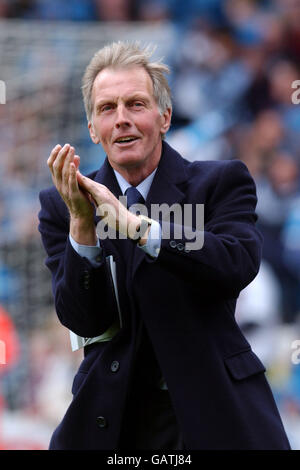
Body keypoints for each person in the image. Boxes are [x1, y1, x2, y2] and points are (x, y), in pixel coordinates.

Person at [38, 41, 291, 450]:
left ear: (165, 116)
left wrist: (143, 230)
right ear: (92, 129)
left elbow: (236, 261)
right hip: (113, 422)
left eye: (136, 104)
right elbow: (83, 322)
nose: (121, 120)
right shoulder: (64, 204)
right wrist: (83, 226)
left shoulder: (218, 182)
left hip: (214, 415)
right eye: (107, 108)